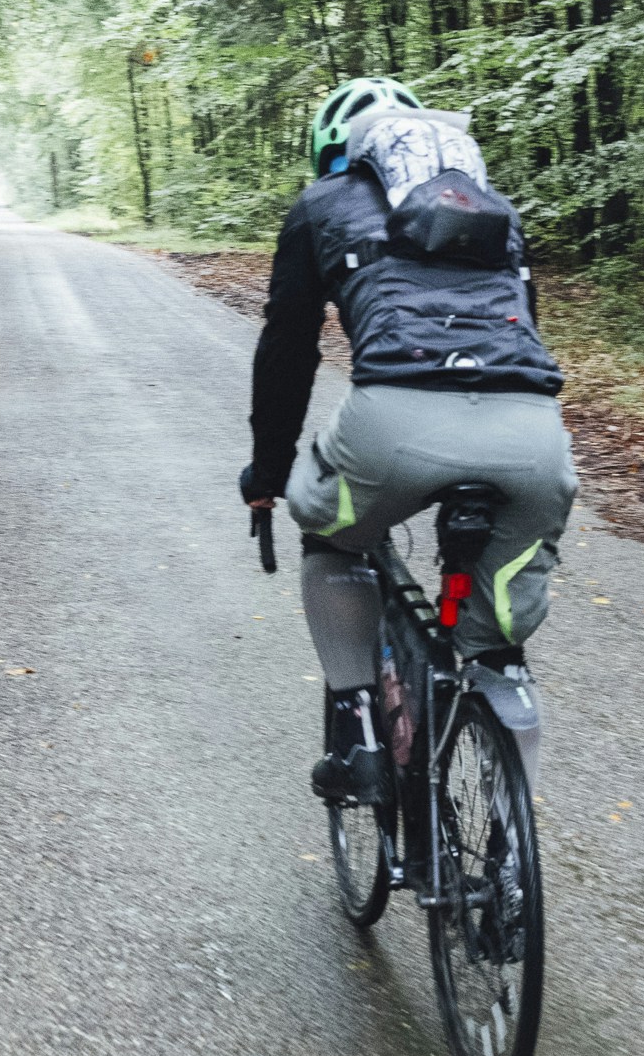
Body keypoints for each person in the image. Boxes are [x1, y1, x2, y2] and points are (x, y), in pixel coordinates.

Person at [240, 77, 577, 807]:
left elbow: (288, 349)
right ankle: (511, 862)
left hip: (394, 430)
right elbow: (522, 328)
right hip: (535, 438)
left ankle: (357, 727)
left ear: (336, 153)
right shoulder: (494, 210)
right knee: (496, 649)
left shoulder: (320, 204)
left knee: (332, 535)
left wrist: (267, 472)